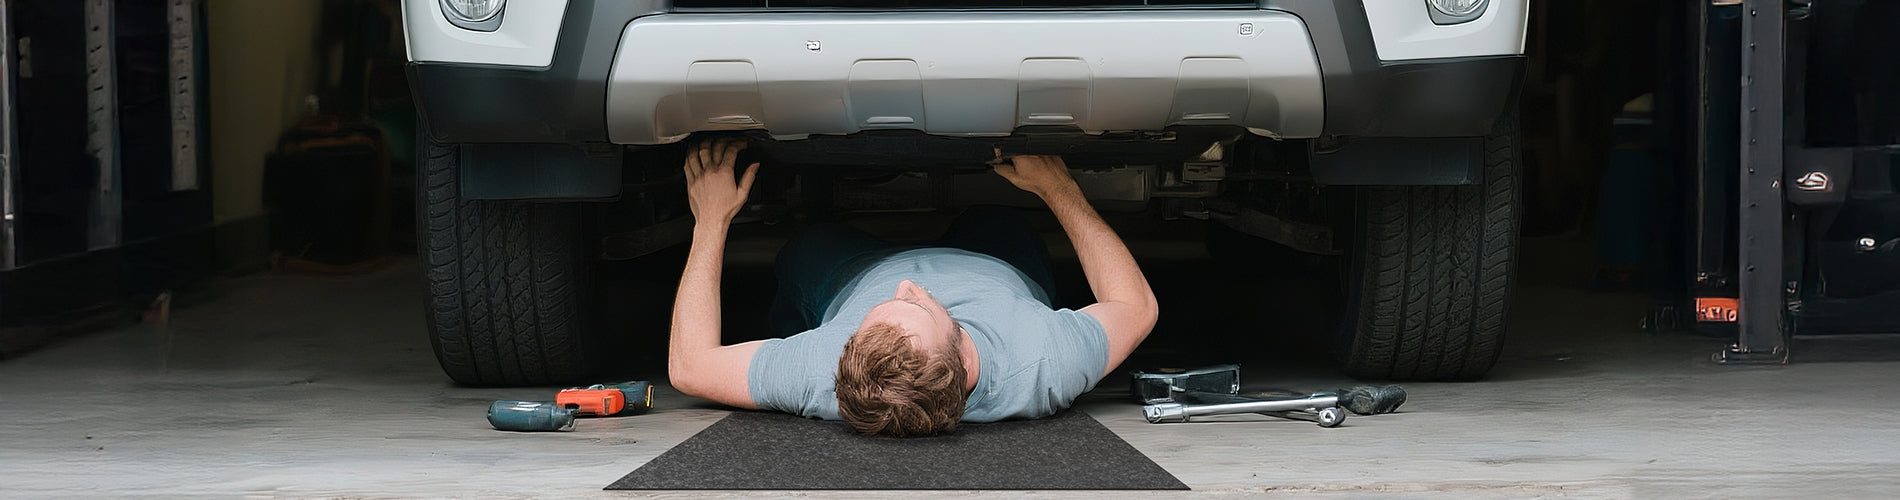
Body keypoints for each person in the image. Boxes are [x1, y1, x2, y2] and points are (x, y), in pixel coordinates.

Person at [667, 138, 1158, 437]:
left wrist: (710, 220)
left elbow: (690, 367)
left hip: (853, 271)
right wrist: (1059, 188)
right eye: (920, 307)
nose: (908, 286)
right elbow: (1135, 306)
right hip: (998, 261)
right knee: (997, 216)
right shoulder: (1041, 360)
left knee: (808, 243)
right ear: (966, 363)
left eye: (888, 307)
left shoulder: (825, 371)